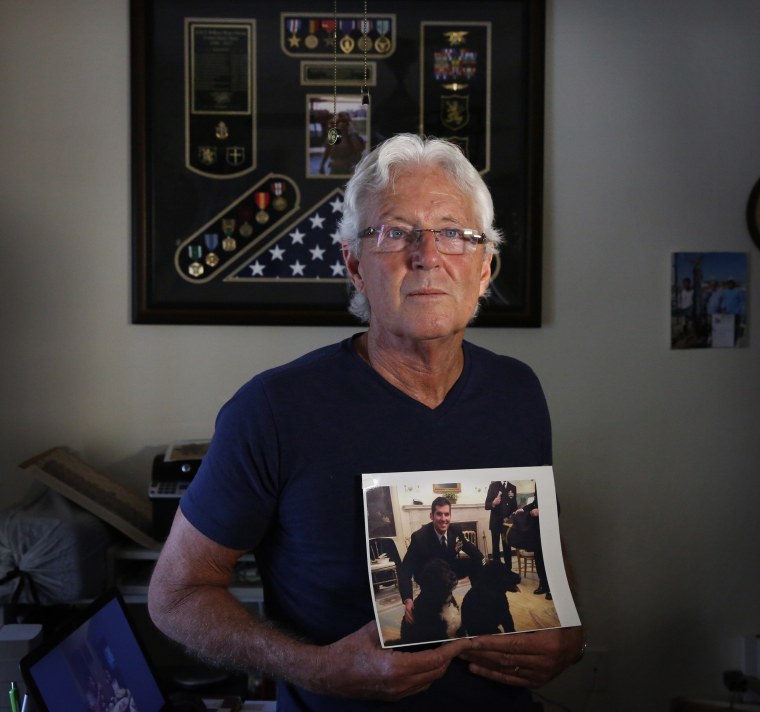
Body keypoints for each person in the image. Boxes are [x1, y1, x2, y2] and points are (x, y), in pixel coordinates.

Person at [148, 133, 584, 711]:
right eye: (395, 232)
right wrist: (316, 668)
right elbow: (175, 597)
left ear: (484, 269)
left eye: (453, 232)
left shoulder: (518, 391)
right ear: (354, 265)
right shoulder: (273, 410)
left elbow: (543, 540)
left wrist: (572, 636)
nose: (428, 255)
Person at [398, 497, 483, 623]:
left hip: (449, 568)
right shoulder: (419, 537)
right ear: (431, 516)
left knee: (476, 563)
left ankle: (479, 598)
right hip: (429, 576)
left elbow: (473, 551)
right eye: (439, 514)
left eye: (447, 514)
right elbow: (405, 569)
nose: (443, 519)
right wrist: (408, 599)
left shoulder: (455, 530)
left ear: (450, 515)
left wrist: (485, 563)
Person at [485, 480, 517, 567]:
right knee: (495, 547)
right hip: (495, 523)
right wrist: (493, 503)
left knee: (507, 546)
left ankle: (508, 570)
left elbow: (514, 506)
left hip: (507, 524)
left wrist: (513, 521)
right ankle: (497, 570)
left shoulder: (513, 487)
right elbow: (486, 505)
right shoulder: (493, 485)